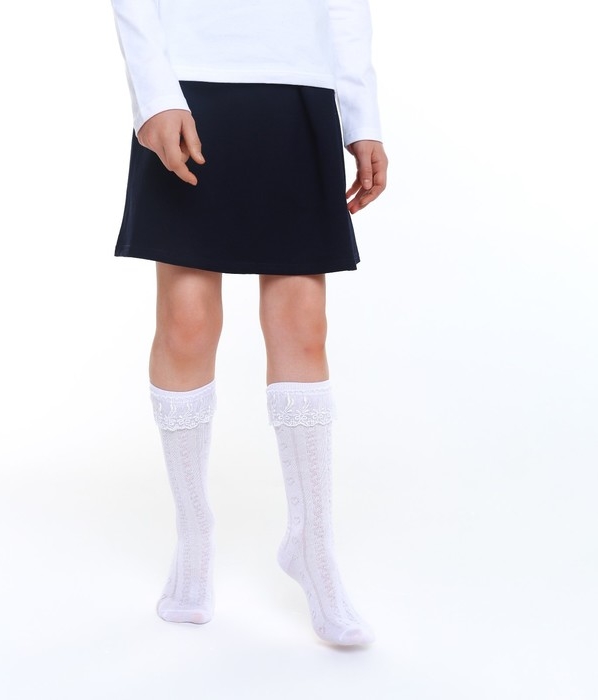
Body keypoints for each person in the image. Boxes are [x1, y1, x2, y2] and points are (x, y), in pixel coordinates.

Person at [109, 0, 388, 646]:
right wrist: (154, 94)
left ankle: (312, 546)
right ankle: (194, 534)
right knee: (185, 319)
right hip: (189, 84)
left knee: (303, 321)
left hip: (298, 84)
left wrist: (362, 115)